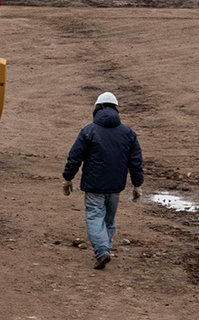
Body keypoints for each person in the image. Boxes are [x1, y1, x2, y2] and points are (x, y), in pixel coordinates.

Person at [61, 91, 143, 269]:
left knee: (95, 217)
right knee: (108, 220)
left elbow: (75, 157)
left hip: (94, 186)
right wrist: (137, 185)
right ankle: (105, 249)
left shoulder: (88, 131)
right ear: (116, 109)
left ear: (97, 108)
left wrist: (68, 178)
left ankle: (102, 250)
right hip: (115, 187)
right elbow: (135, 162)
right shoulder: (128, 133)